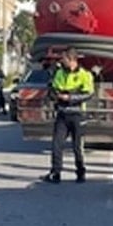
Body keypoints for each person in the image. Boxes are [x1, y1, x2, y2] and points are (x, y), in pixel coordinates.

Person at [42, 48, 94, 184]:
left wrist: (70, 97)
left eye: (64, 59)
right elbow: (53, 89)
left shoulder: (84, 74)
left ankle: (81, 172)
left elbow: (89, 94)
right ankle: (56, 172)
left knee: (77, 147)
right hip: (62, 114)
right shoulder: (60, 73)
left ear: (72, 60)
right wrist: (54, 95)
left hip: (77, 114)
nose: (62, 61)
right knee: (56, 144)